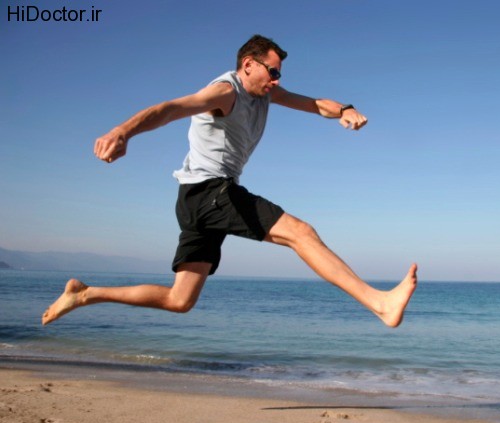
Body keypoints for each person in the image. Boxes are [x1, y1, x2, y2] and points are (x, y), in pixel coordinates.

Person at [42, 35, 417, 328]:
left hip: (195, 200)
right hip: (210, 191)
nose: (276, 79)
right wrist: (122, 131)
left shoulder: (267, 94)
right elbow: (170, 109)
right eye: (272, 71)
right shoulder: (225, 92)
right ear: (248, 64)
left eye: (279, 73)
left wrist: (345, 110)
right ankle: (379, 303)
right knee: (300, 233)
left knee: (179, 300)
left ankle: (85, 294)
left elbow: (314, 104)